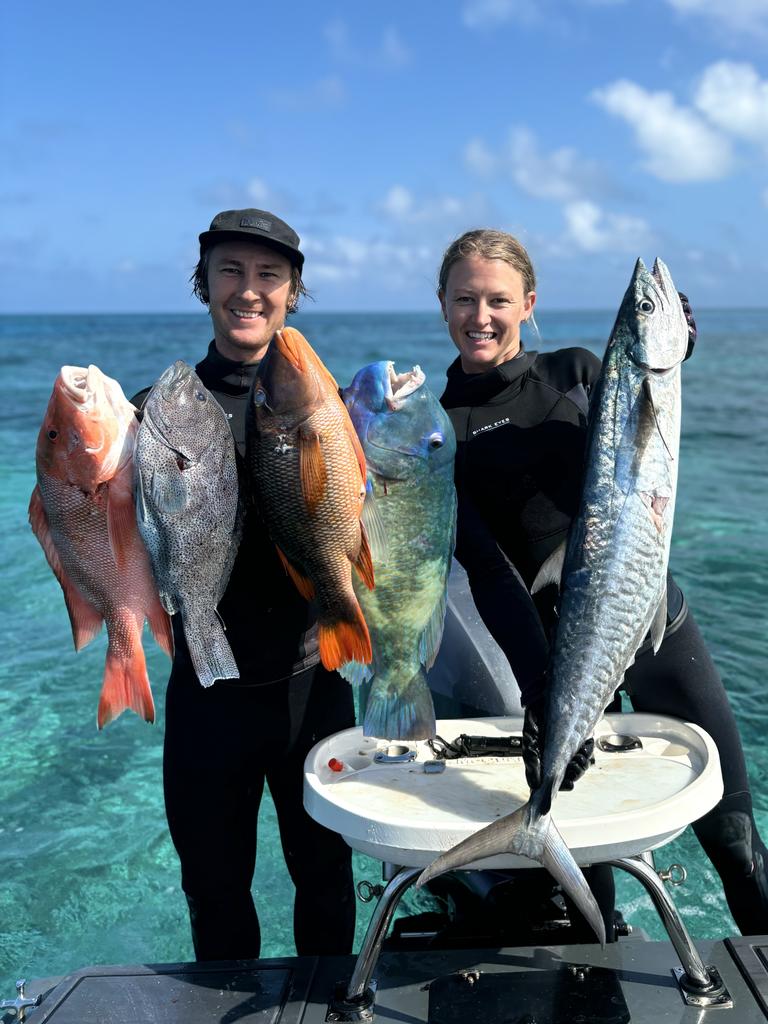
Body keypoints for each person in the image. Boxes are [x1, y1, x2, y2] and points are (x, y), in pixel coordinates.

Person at [434, 227, 768, 939]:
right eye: (465, 299)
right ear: (442, 305)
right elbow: (490, 572)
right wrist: (542, 692)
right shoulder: (443, 430)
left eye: (498, 299)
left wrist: (669, 349)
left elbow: (633, 447)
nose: (481, 315)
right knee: (590, 884)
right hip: (557, 658)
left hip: (655, 622)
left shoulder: (581, 372)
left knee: (739, 845)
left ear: (528, 303)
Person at [133, 209, 356, 961]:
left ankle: (331, 1011)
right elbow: (104, 529)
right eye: (230, 270)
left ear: (293, 292)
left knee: (325, 876)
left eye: (269, 276)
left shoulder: (323, 406)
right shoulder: (159, 412)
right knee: (214, 887)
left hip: (310, 683)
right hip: (206, 699)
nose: (248, 291)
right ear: (204, 284)